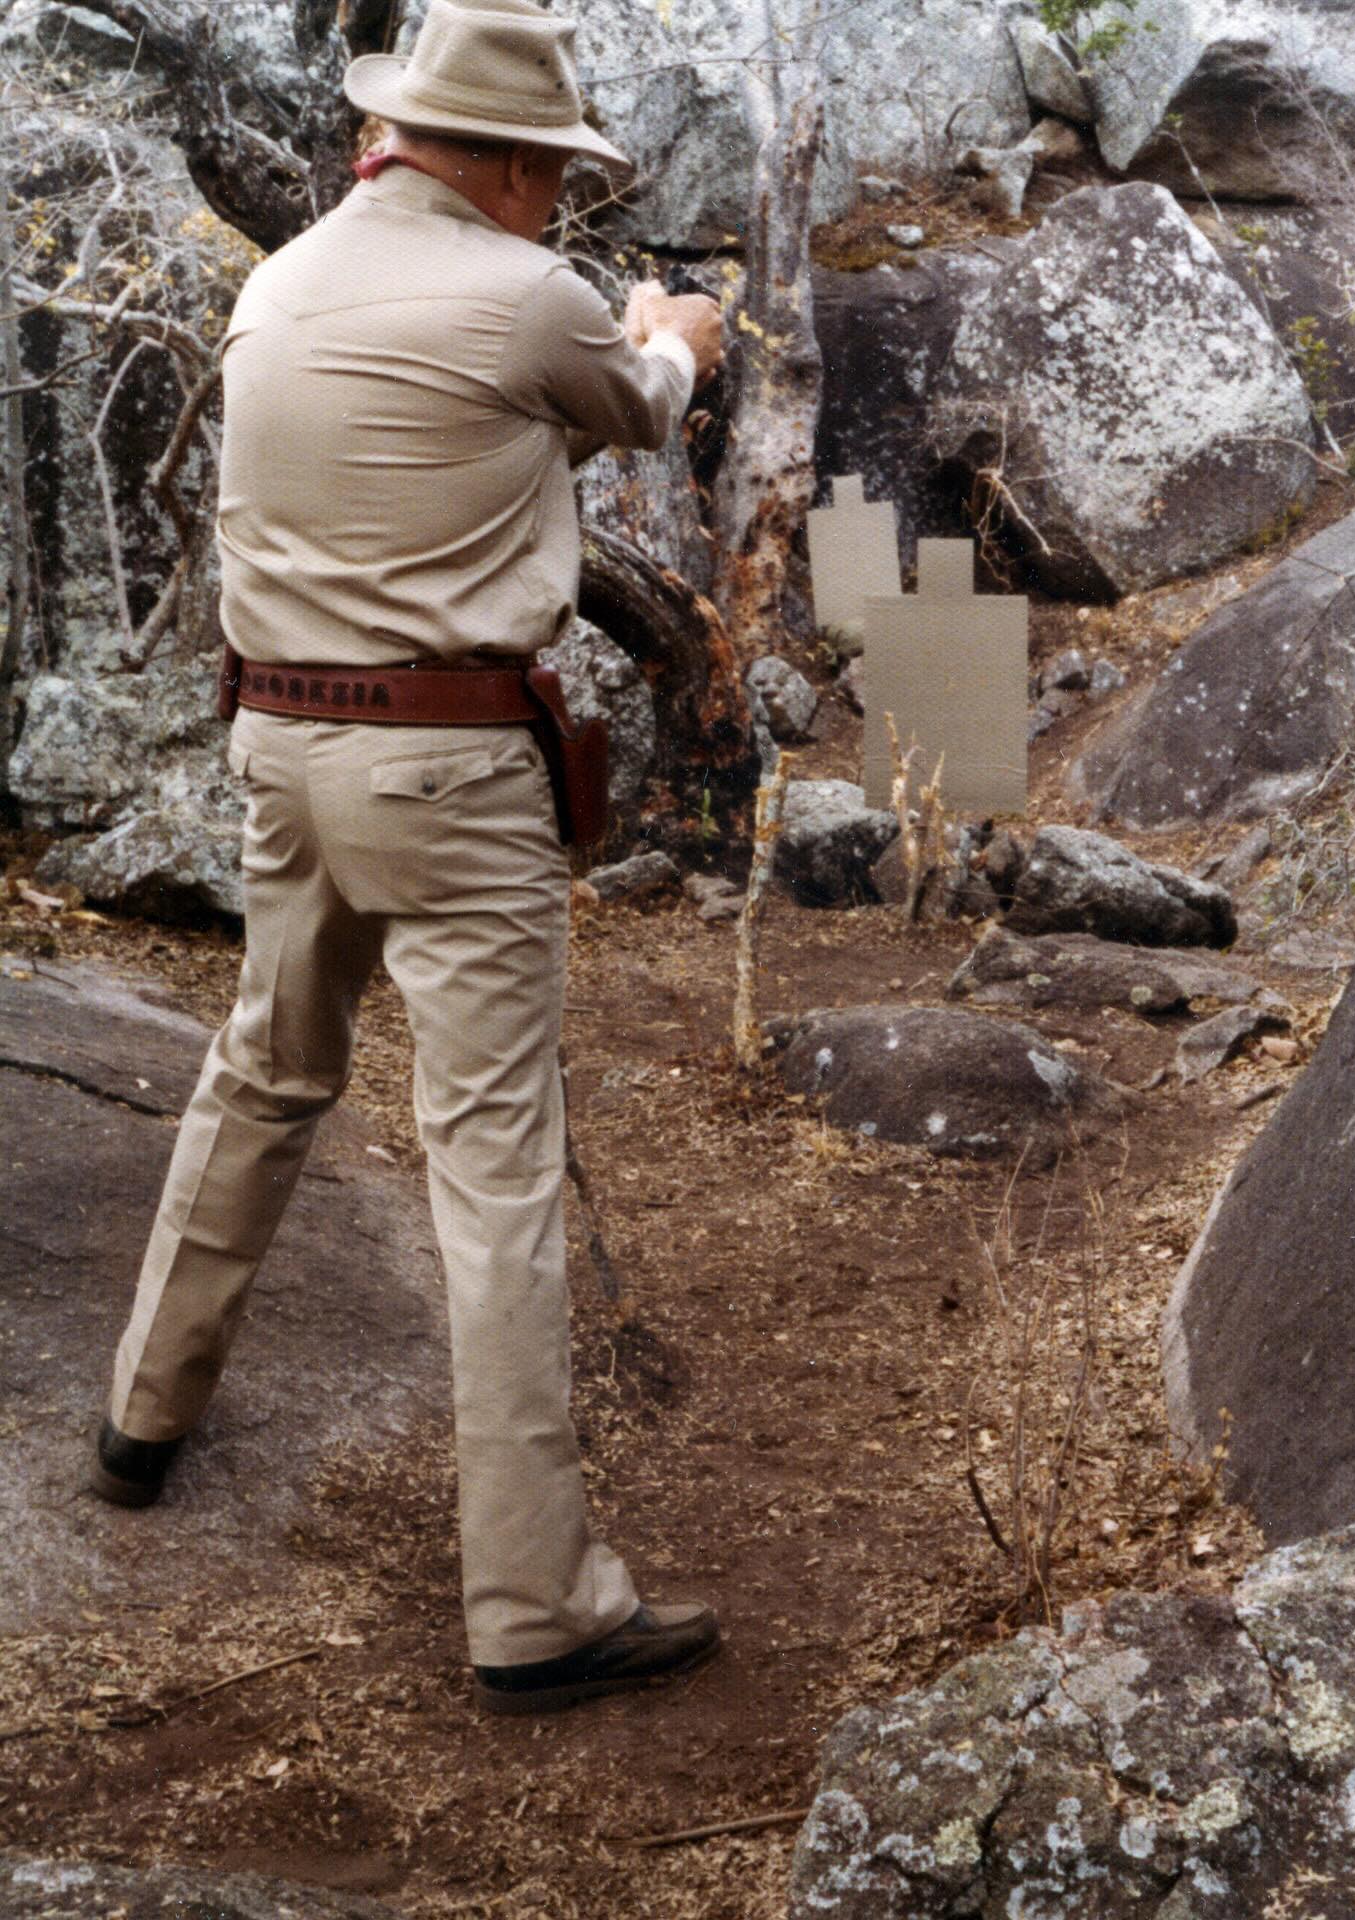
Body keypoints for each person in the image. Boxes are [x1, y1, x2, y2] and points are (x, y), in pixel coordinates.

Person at [88, 0, 726, 1716]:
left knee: (262, 1072)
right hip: (449, 770)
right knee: (495, 1166)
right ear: (511, 161)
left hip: (281, 748)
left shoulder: (279, 280)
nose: (555, 200)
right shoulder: (532, 296)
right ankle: (533, 1600)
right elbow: (645, 408)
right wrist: (675, 326)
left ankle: (143, 1415)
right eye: (554, 172)